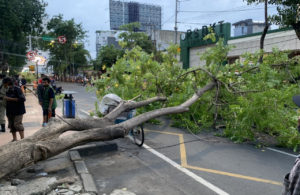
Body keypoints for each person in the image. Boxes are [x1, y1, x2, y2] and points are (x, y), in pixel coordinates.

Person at [3, 77, 26, 141]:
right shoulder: (6, 90)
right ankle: (14, 139)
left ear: (7, 83)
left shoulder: (17, 89)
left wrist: (9, 99)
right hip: (10, 110)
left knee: (17, 124)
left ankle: (23, 139)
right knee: (11, 125)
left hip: (18, 110)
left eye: (4, 83)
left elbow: (22, 99)